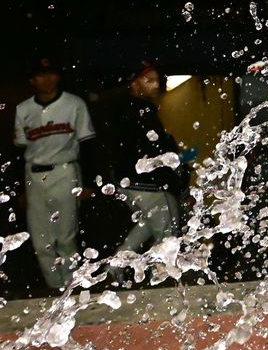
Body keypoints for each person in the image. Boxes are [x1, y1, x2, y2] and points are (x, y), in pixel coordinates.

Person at [13, 58, 96, 290]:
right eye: (40, 75)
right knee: (41, 243)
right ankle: (54, 290)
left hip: (65, 170)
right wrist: (21, 188)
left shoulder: (74, 104)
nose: (46, 79)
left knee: (66, 239)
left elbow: (88, 144)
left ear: (58, 76)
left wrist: (88, 182)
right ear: (32, 80)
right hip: (34, 176)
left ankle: (69, 290)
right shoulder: (23, 109)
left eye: (50, 74)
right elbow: (19, 151)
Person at [111, 63, 186, 274]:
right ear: (134, 84)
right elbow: (153, 149)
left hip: (129, 180)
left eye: (157, 81)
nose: (155, 86)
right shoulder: (139, 110)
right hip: (147, 182)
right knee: (168, 233)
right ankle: (164, 275)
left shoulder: (126, 109)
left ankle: (116, 266)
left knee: (147, 225)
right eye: (149, 81)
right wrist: (172, 166)